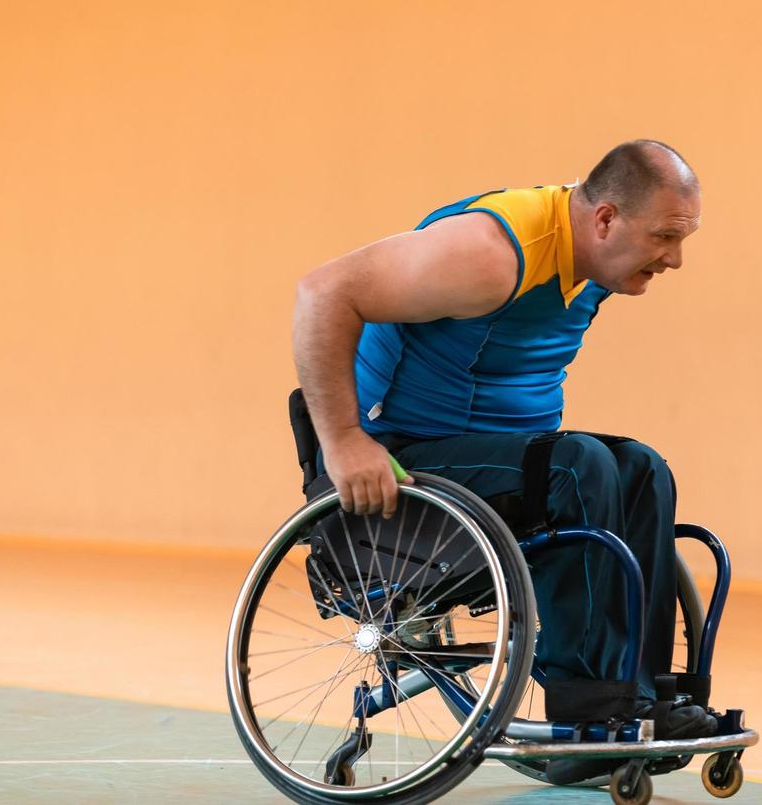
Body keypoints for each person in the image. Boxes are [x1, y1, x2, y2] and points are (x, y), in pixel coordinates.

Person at [292, 139, 713, 781]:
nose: (676, 258)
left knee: (640, 467)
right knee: (577, 466)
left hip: (489, 461)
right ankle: (589, 709)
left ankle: (647, 696)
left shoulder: (597, 262)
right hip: (402, 462)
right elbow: (322, 292)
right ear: (604, 219)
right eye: (664, 236)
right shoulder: (491, 254)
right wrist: (345, 439)